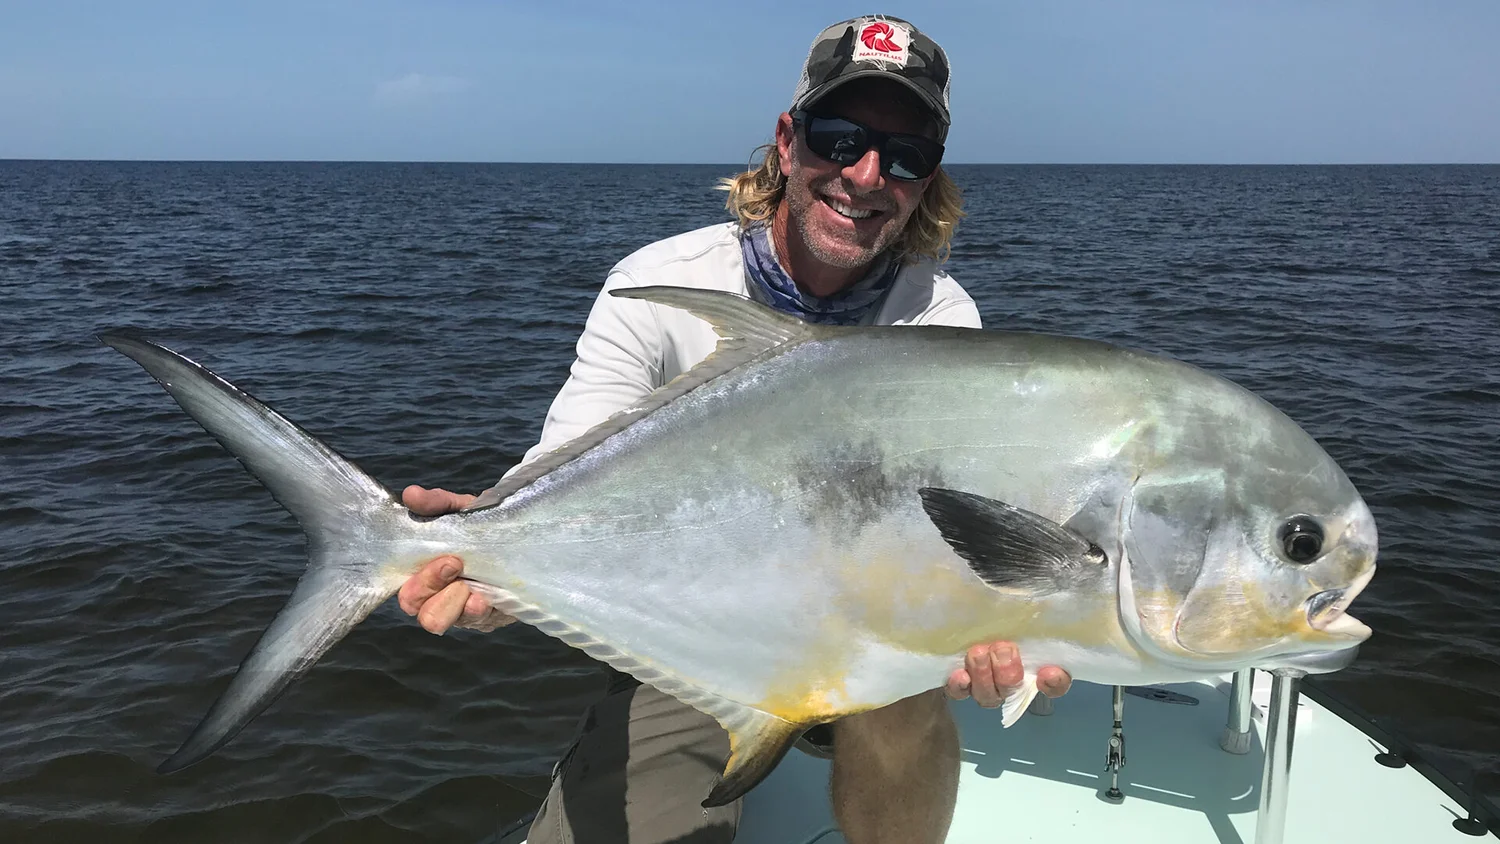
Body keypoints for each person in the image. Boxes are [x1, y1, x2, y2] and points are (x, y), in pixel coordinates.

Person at [398, 15, 1072, 844]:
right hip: (700, 629)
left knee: (906, 715)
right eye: (839, 137)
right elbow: (560, 469)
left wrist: (994, 627)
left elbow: (957, 524)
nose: (865, 175)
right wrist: (493, 566)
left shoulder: (939, 317)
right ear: (788, 143)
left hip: (870, 631)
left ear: (926, 179)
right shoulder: (661, 283)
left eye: (905, 155)